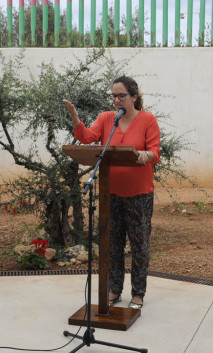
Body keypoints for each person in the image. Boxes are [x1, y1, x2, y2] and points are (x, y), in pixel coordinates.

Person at [63, 76, 160, 309]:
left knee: (139, 245)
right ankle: (115, 289)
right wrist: (75, 118)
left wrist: (144, 155)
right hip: (111, 193)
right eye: (114, 96)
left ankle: (138, 293)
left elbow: (154, 151)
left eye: (121, 96)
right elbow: (87, 137)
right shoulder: (107, 119)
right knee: (113, 244)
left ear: (134, 97)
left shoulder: (148, 120)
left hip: (139, 194)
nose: (116, 100)